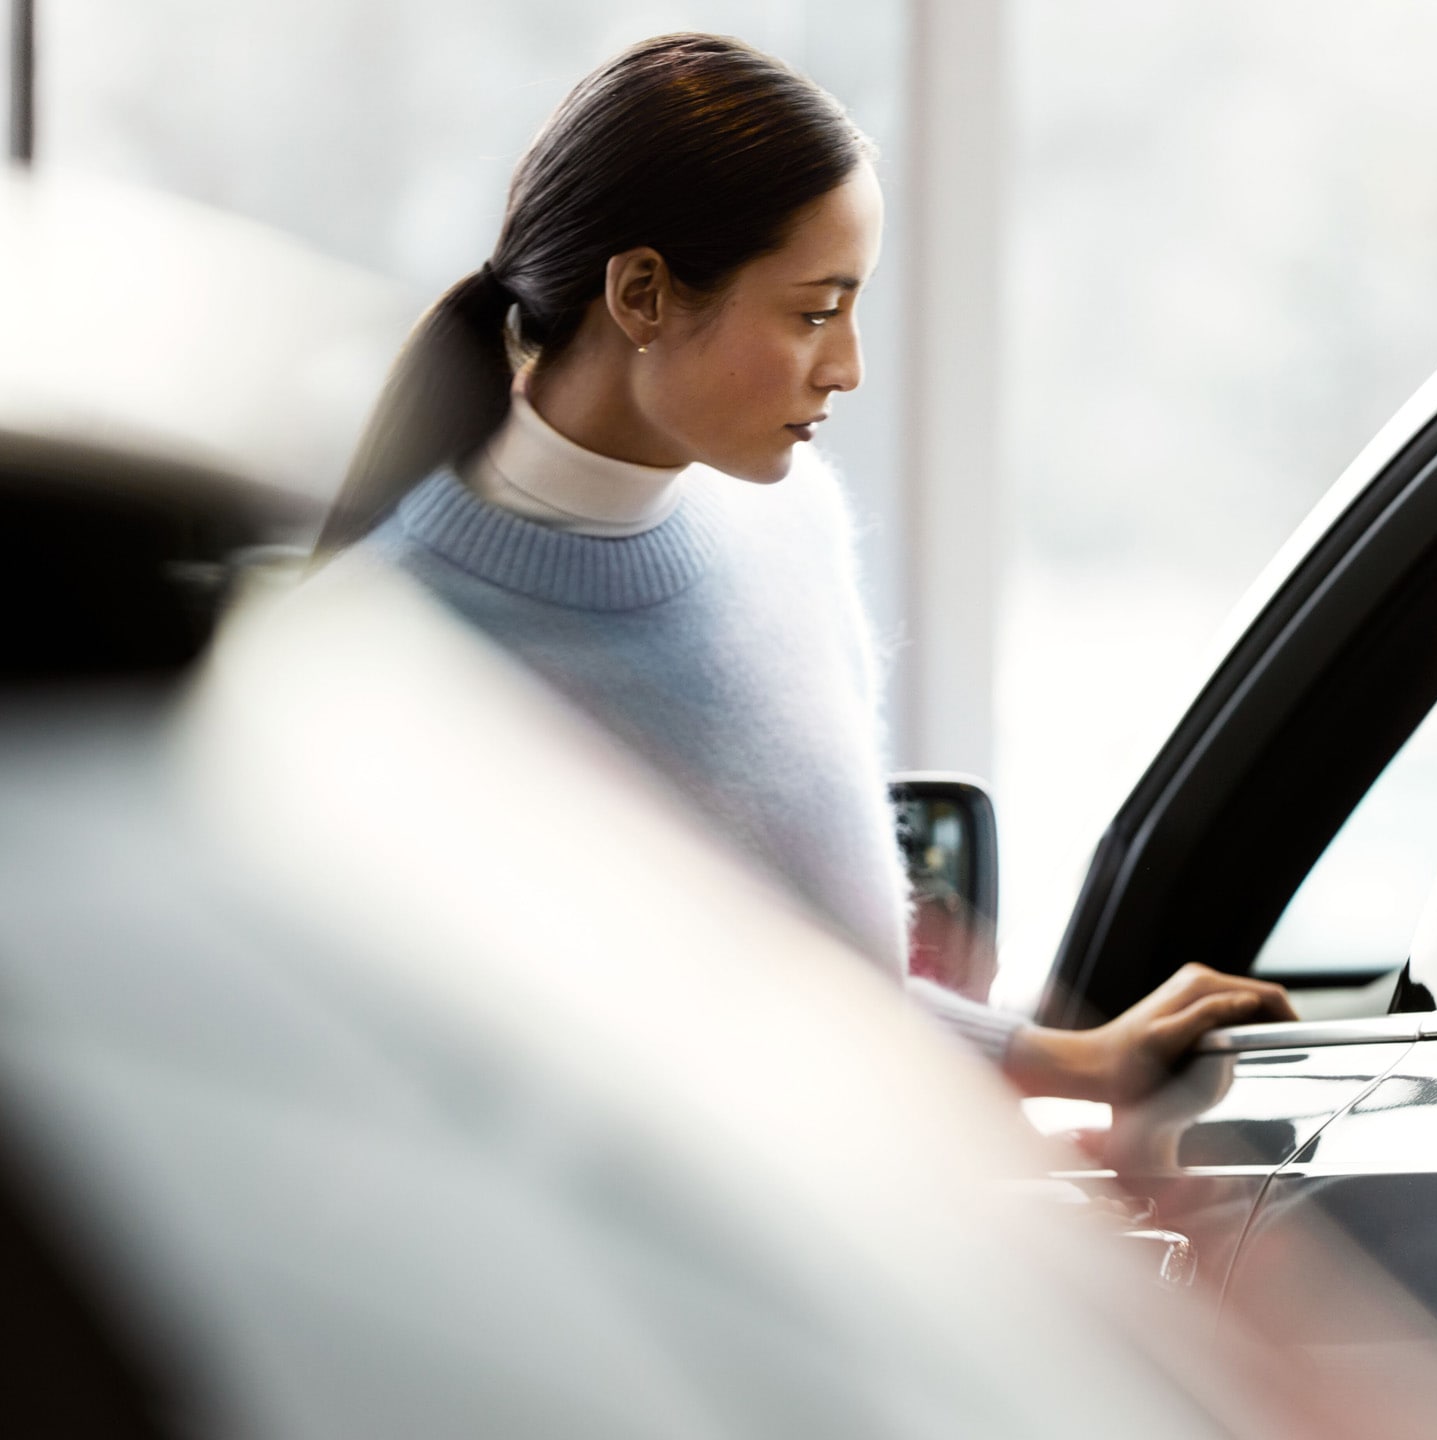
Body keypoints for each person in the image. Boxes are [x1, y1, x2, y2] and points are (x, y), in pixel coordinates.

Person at [314, 32, 1294, 1104]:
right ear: (640, 294)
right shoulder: (377, 650)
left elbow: (817, 978)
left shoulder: (793, 528)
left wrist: (1066, 1058)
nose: (850, 366)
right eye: (816, 311)